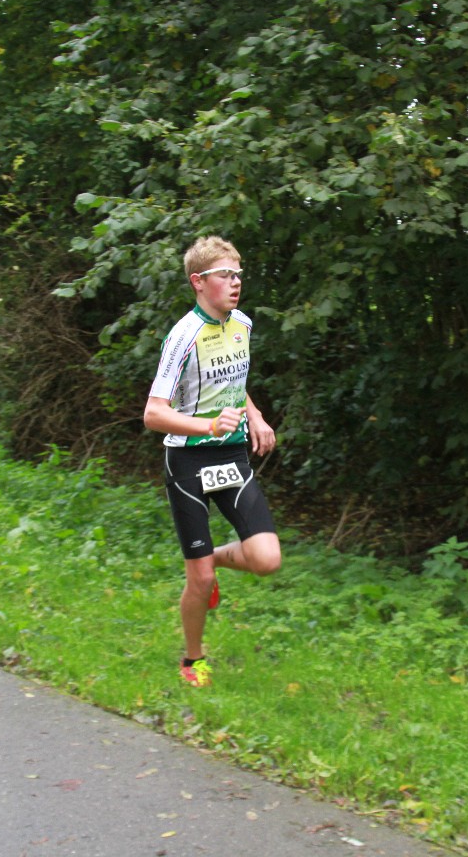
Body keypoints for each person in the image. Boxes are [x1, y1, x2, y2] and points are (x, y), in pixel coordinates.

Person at [143, 236, 281, 688]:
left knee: (267, 558)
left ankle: (213, 562)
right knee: (198, 581)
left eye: (238, 274)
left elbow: (233, 382)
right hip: (187, 460)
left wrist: (254, 416)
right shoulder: (183, 336)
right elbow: (153, 414)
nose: (235, 282)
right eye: (225, 275)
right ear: (198, 282)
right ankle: (193, 659)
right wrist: (208, 426)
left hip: (231, 454)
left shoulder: (242, 324)